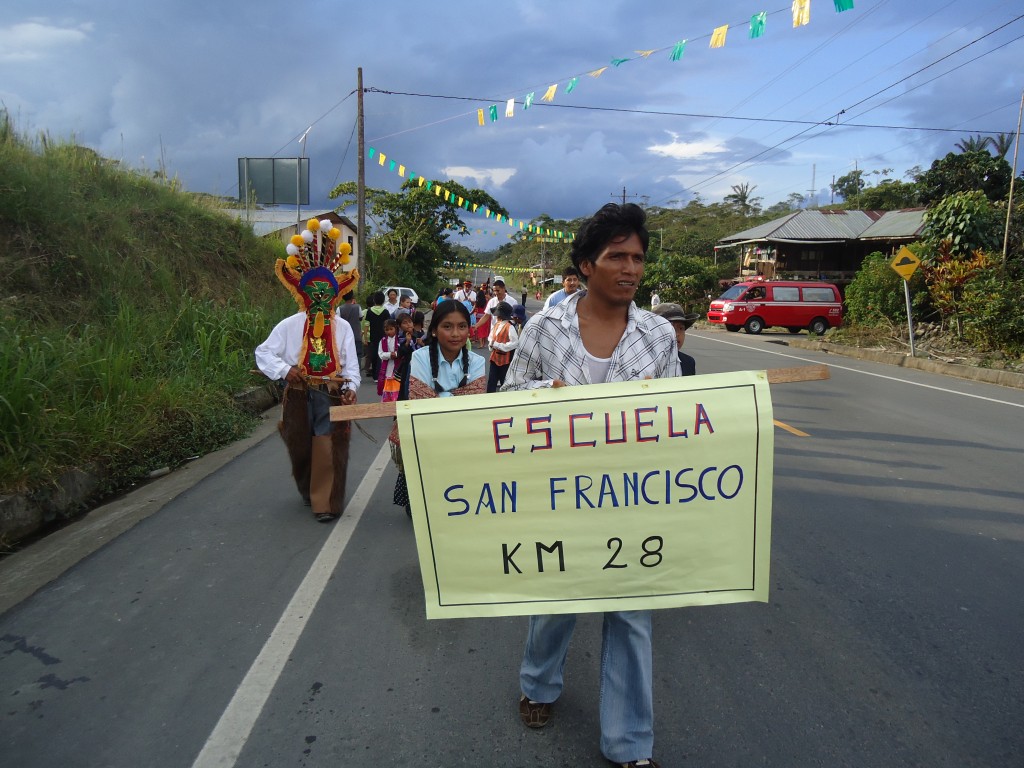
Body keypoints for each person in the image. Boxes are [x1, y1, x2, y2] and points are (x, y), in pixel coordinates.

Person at [501, 202, 677, 768]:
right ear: (585, 264)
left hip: (631, 498)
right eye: (616, 257)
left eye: (637, 258)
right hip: (559, 497)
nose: (630, 268)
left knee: (631, 616)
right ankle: (538, 684)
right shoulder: (544, 329)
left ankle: (629, 745)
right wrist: (542, 396)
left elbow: (676, 413)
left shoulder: (657, 337)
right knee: (557, 600)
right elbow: (504, 399)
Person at [254, 221, 361, 524]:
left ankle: (324, 501)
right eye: (313, 292)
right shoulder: (288, 325)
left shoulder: (340, 328)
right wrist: (285, 370)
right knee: (299, 446)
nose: (320, 298)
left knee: (327, 443)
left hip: (329, 393)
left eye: (326, 292)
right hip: (298, 395)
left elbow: (350, 365)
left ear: (335, 294)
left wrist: (350, 386)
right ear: (301, 293)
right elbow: (263, 353)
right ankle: (308, 487)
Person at [390, 301, 486, 514]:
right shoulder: (419, 357)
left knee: (457, 505)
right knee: (423, 507)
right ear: (433, 330)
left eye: (462, 326)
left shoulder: (478, 361)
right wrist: (456, 397)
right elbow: (422, 404)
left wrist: (439, 396)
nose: (455, 333)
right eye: (447, 326)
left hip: (462, 439)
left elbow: (473, 406)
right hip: (428, 437)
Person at [652, 302, 699, 376]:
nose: (677, 334)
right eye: (670, 328)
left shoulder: (688, 362)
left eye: (681, 328)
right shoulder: (643, 363)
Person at [486, 301, 518, 393]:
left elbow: (515, 343)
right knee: (491, 381)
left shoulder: (509, 327)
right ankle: (490, 399)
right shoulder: (497, 325)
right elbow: (491, 337)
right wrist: (491, 345)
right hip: (494, 357)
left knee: (504, 381)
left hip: (505, 360)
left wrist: (497, 345)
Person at [365, 291, 390, 380]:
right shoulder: (386, 312)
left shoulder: (369, 311)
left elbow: (366, 325)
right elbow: (389, 325)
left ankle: (375, 376)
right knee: (383, 355)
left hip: (373, 337)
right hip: (383, 337)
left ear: (374, 300)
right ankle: (381, 374)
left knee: (374, 355)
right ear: (383, 301)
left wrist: (365, 338)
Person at [377, 319, 401, 401]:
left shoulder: (400, 339)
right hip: (387, 369)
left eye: (391, 329)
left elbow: (403, 351)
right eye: (387, 330)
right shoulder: (383, 341)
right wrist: (389, 355)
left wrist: (396, 354)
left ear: (396, 328)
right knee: (387, 387)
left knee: (397, 387)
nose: (389, 332)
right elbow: (380, 354)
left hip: (397, 368)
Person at [337, 291, 363, 363]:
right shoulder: (357, 307)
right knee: (357, 356)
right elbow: (361, 317)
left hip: (344, 337)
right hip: (356, 335)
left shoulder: (339, 308)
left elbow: (338, 322)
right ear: (352, 297)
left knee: (344, 357)